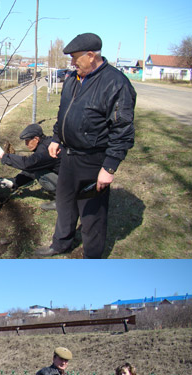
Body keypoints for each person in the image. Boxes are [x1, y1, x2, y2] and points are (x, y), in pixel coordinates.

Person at [36, 33, 136, 258]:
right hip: (68, 157)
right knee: (65, 204)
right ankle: (60, 243)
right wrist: (55, 138)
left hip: (93, 160)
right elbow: (64, 113)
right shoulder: (73, 78)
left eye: (75, 58)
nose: (72, 63)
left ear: (91, 55)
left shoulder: (116, 83)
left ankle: (92, 257)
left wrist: (109, 167)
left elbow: (123, 129)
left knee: (92, 215)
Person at [0, 123, 61, 211]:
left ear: (36, 139)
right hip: (69, 178)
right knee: (37, 169)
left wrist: (3, 156)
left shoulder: (46, 151)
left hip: (72, 182)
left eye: (27, 141)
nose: (26, 144)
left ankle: (61, 201)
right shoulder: (46, 144)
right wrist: (14, 182)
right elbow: (31, 170)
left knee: (40, 174)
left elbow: (27, 164)